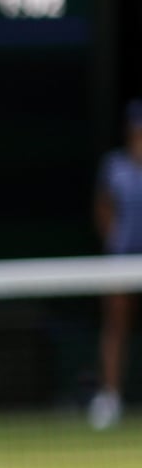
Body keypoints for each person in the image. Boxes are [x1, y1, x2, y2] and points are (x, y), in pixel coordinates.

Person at [89, 100, 142, 430]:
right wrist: (114, 244)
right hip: (122, 260)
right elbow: (103, 208)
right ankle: (110, 397)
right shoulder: (115, 166)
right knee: (116, 328)